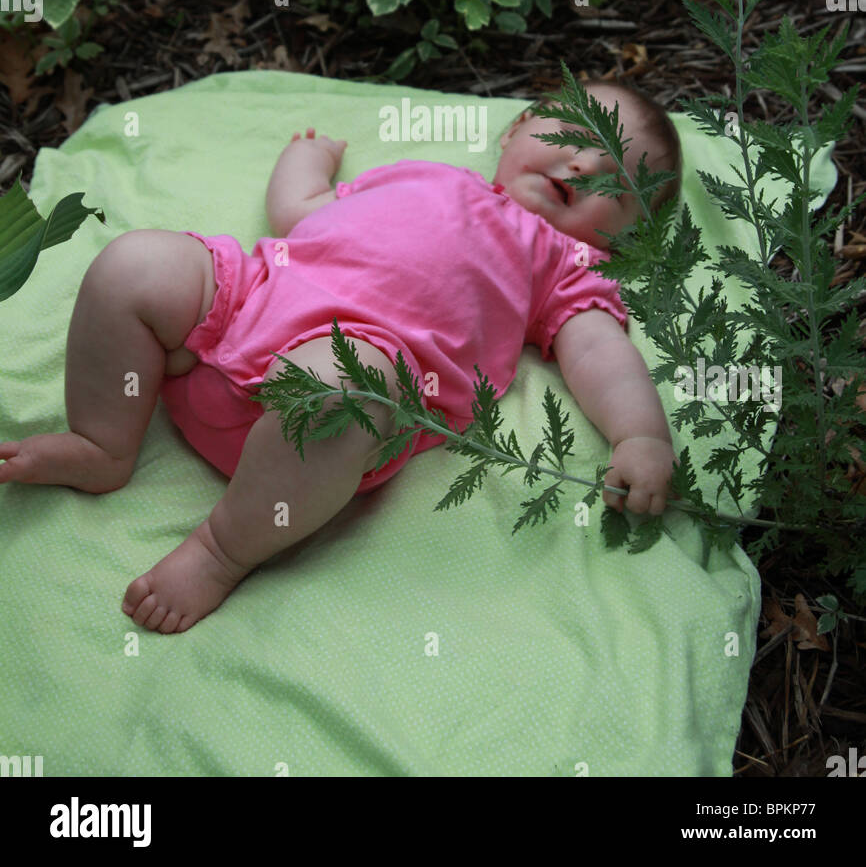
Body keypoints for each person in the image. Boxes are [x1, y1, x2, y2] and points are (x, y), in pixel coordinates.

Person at [0, 78, 682, 634]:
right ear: (518, 128)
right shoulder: (423, 173)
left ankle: (220, 549)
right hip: (248, 306)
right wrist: (309, 159)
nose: (584, 166)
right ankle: (103, 441)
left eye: (616, 180)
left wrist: (641, 435)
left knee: (341, 388)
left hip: (339, 401)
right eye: (578, 136)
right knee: (135, 265)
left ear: (624, 236)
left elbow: (597, 348)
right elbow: (299, 214)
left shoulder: (563, 265)